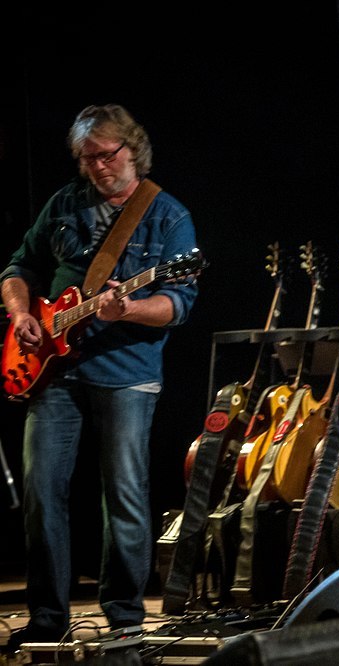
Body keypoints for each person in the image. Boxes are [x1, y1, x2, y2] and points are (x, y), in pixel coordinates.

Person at [1, 104, 199, 651]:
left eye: (106, 156)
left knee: (125, 494)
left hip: (127, 371)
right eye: (87, 158)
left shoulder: (168, 216)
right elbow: (19, 267)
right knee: (41, 491)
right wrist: (21, 316)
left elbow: (178, 304)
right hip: (53, 370)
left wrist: (128, 310)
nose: (97, 167)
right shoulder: (66, 202)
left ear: (134, 150)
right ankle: (47, 619)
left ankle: (126, 619)